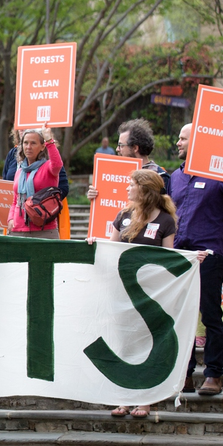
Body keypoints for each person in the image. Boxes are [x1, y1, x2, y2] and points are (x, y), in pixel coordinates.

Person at [170, 123, 223, 395]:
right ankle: (185, 373)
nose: (178, 142)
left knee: (210, 315)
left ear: (198, 143)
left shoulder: (219, 175)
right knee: (182, 317)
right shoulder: (176, 177)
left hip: (209, 257)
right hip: (181, 257)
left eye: (183, 138)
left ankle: (214, 374)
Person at [88, 170, 178, 419]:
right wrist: (94, 243)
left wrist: (192, 259)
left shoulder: (166, 221)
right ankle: (123, 398)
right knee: (124, 344)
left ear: (145, 189)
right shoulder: (124, 215)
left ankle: (145, 400)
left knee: (147, 345)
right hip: (122, 292)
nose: (127, 188)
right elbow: (111, 248)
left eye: (132, 184)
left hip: (150, 296)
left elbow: (169, 259)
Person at [7, 129, 63, 238]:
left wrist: (49, 141)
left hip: (44, 230)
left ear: (42, 147)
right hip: (18, 229)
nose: (28, 147)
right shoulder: (20, 171)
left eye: (33, 143)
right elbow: (15, 200)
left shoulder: (48, 167)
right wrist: (10, 218)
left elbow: (57, 165)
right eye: (25, 143)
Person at [116, 119, 170, 191]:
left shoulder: (159, 177)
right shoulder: (116, 175)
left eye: (121, 145)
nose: (117, 149)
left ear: (135, 148)